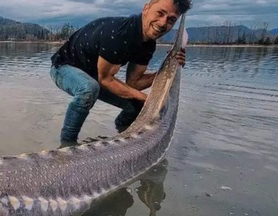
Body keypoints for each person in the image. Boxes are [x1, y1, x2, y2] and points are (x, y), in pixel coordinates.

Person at [50, 0, 192, 145]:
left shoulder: (148, 45)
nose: (162, 23)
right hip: (64, 67)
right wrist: (149, 100)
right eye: (160, 13)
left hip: (96, 76)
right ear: (146, 9)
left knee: (137, 105)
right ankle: (67, 145)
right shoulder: (119, 34)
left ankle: (121, 137)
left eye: (171, 20)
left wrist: (169, 69)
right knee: (88, 89)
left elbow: (134, 83)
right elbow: (105, 79)